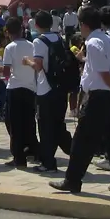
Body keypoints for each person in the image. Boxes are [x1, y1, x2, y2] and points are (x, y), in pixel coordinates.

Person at [50, 5, 110, 194]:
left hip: (99, 97)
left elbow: (103, 72)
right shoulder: (109, 40)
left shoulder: (93, 43)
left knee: (82, 141)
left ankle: (72, 180)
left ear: (83, 24)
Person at [24, 10, 72, 172]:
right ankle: (73, 149)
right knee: (58, 124)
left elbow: (38, 66)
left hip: (46, 89)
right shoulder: (59, 38)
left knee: (45, 127)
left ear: (36, 25)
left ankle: (48, 162)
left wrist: (27, 62)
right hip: (61, 87)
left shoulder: (39, 41)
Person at [1, 16, 37, 168]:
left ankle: (19, 157)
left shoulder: (9, 47)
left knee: (14, 124)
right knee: (29, 122)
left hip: (14, 87)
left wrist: (0, 70)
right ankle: (33, 150)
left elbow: (7, 71)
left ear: (8, 32)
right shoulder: (32, 45)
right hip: (30, 87)